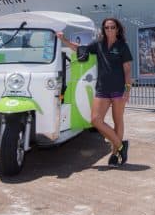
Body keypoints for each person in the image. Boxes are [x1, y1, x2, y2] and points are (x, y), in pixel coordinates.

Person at [57, 18, 133, 167]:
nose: (109, 30)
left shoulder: (123, 46)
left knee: (118, 121)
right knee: (95, 120)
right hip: (102, 89)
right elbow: (78, 48)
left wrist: (127, 90)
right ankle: (121, 146)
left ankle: (115, 154)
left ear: (117, 29)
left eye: (112, 27)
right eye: (106, 27)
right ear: (103, 29)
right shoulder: (98, 44)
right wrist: (63, 39)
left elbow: (128, 70)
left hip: (118, 90)